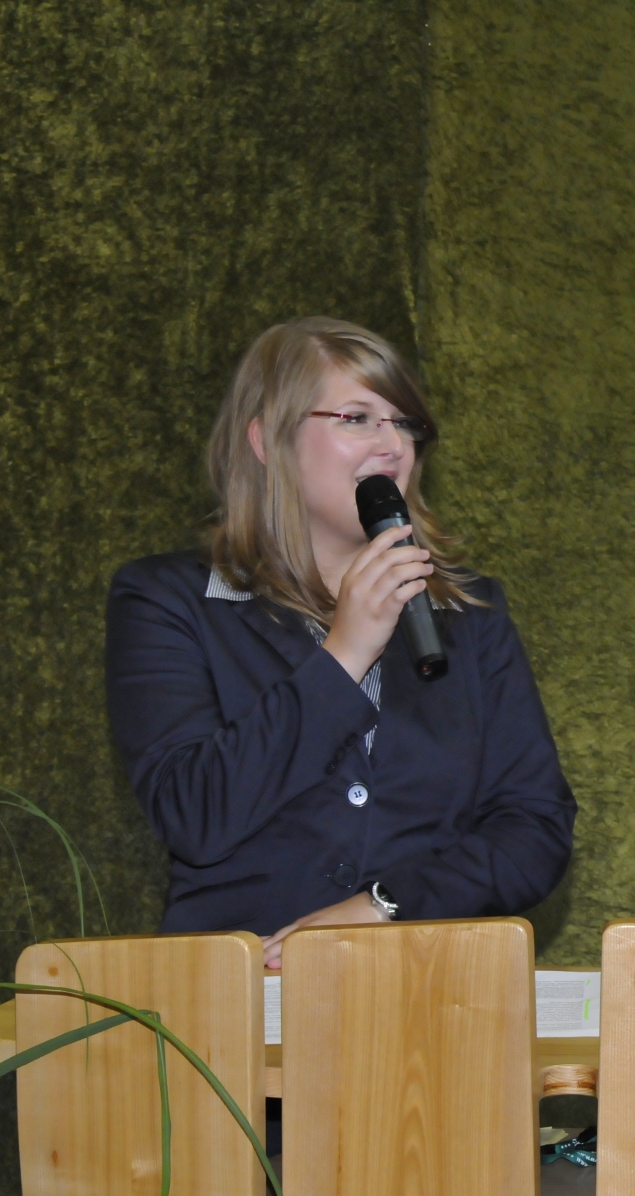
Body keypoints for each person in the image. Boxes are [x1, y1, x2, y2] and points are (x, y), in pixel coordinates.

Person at [106, 317, 575, 970]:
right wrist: (345, 654)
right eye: (357, 418)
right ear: (266, 439)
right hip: (238, 994)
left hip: (431, 989)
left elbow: (534, 829)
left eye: (404, 423)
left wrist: (385, 906)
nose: (393, 446)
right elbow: (196, 814)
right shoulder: (169, 600)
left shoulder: (469, 613)